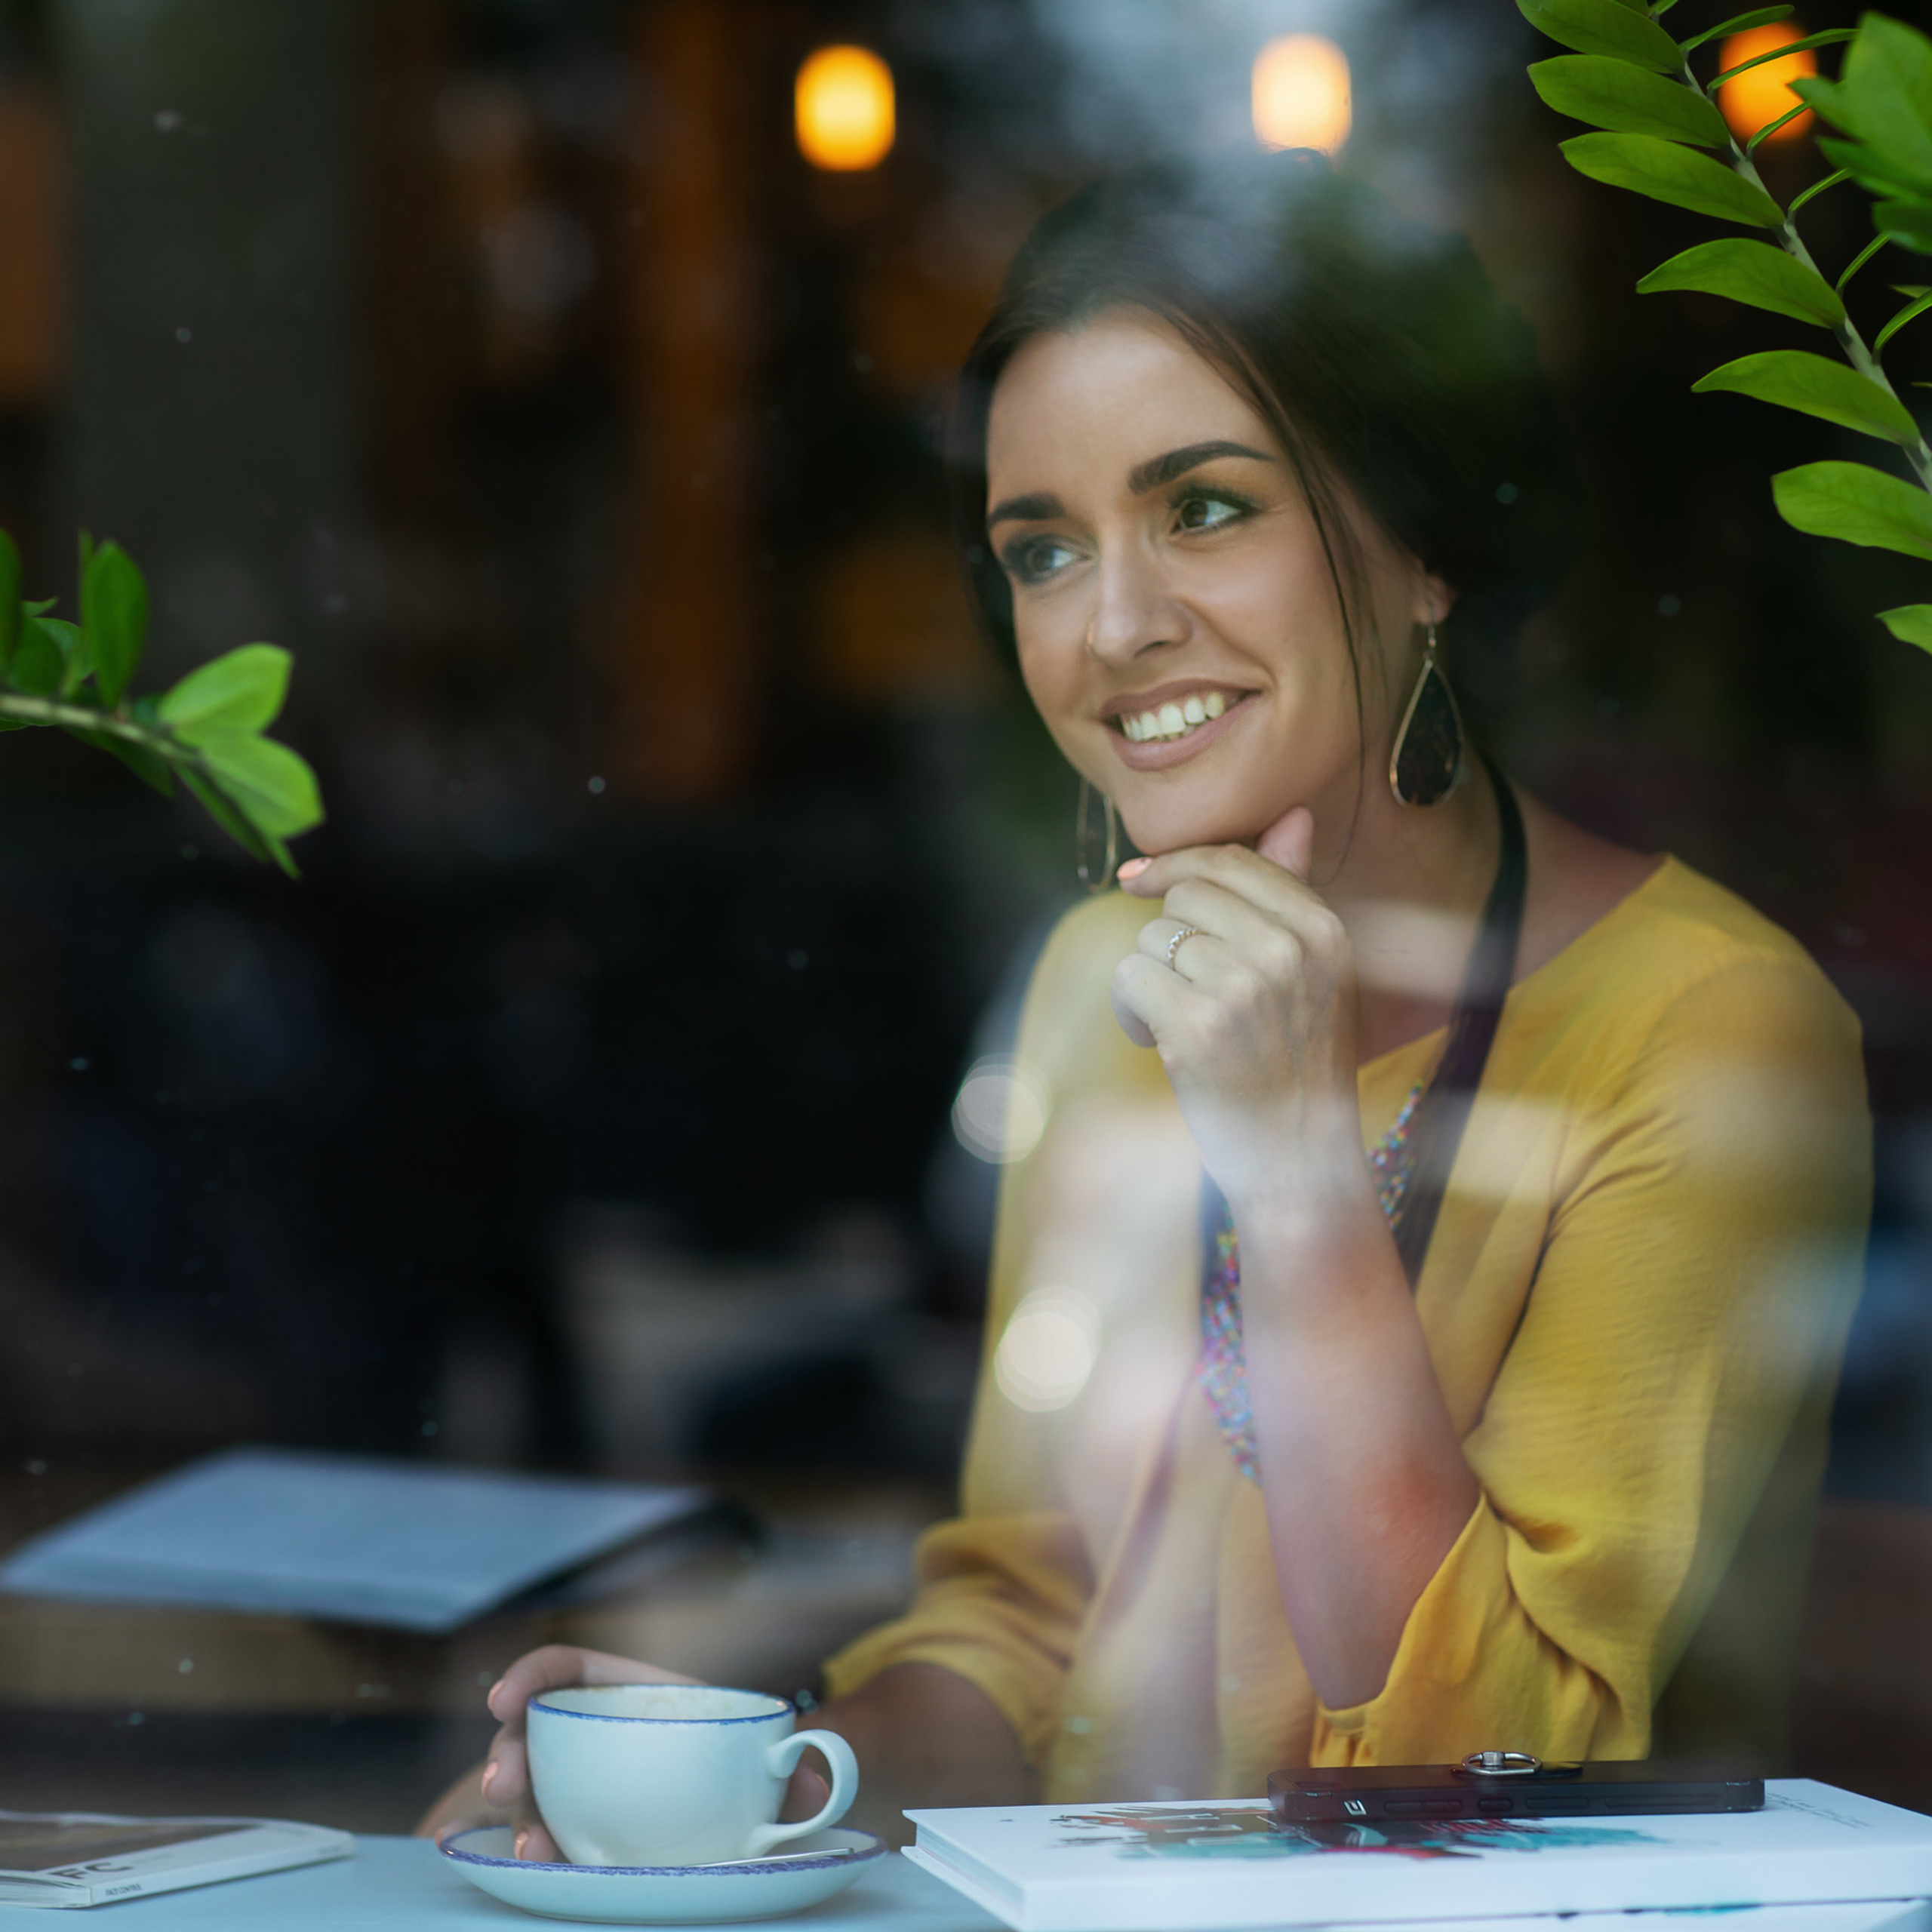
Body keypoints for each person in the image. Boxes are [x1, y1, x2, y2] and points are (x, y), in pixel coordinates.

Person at [420, 151, 1870, 1854]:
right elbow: (1031, 1632)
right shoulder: (1098, 980)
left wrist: (1293, 1166)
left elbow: (1476, 1776)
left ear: (1425, 552)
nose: (1110, 625)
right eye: (1040, 549)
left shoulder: (1703, 1028)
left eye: (1202, 507)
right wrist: (738, 1773)